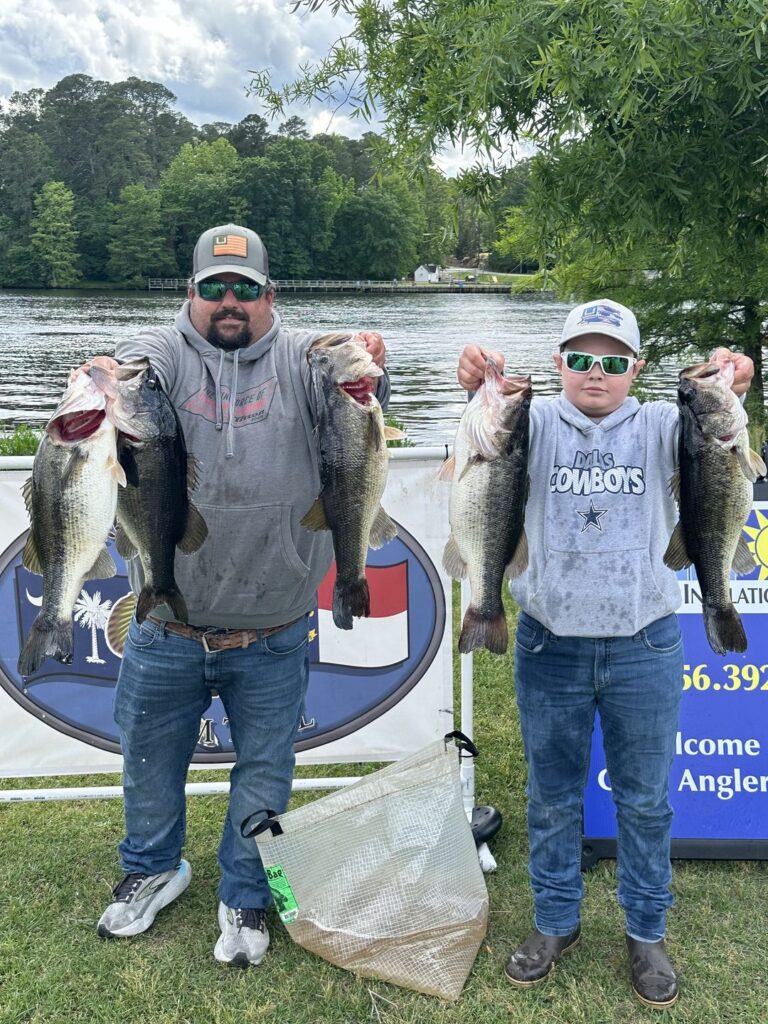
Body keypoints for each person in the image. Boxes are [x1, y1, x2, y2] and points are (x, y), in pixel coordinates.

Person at [94, 224, 389, 966]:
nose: (231, 302)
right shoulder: (161, 362)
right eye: (215, 288)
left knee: (266, 768)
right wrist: (102, 373)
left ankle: (246, 889)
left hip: (275, 628)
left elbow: (344, 371)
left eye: (246, 289)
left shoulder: (300, 358)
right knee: (147, 758)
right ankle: (153, 866)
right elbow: (133, 361)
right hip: (166, 623)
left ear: (270, 295)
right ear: (190, 294)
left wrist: (366, 358)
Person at [457, 299, 754, 1009]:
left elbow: (723, 438)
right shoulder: (528, 422)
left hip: (644, 645)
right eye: (582, 358)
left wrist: (731, 377)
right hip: (548, 644)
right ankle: (555, 922)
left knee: (646, 802)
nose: (598, 372)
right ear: (559, 362)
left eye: (614, 361)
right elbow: (479, 445)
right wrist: (475, 382)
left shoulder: (663, 425)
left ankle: (646, 930)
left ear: (637, 370)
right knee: (552, 797)